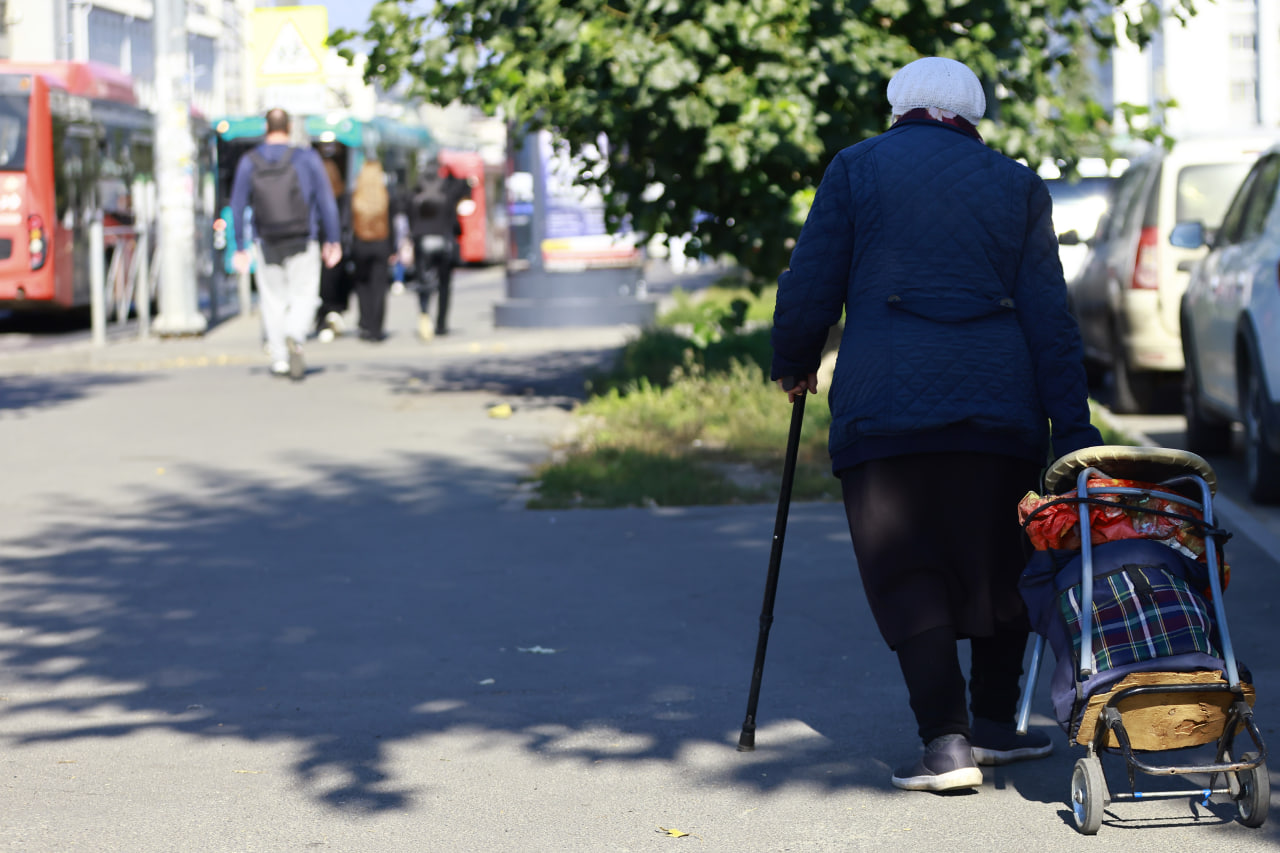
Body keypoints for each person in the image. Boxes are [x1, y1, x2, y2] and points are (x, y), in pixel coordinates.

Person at [769, 56, 1103, 793]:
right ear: (972, 114)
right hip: (1002, 411)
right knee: (1005, 559)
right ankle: (993, 721)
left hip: (886, 415)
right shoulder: (1016, 185)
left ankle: (946, 744)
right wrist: (1073, 429)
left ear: (898, 108)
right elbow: (1051, 317)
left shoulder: (856, 169)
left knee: (908, 566)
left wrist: (794, 359)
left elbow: (812, 282)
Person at [231, 108, 342, 380]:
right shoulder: (306, 157)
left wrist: (240, 246)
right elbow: (326, 200)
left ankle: (279, 358)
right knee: (304, 294)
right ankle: (296, 333)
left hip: (266, 239)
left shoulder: (250, 160)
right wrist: (333, 239)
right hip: (304, 238)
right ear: (290, 127)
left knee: (272, 301)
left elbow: (237, 204)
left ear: (265, 127)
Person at [410, 159, 472, 339]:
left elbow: (410, 217)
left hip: (422, 241)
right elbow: (464, 186)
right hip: (443, 241)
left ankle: (424, 315)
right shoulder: (446, 190)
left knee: (424, 283)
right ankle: (441, 324)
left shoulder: (417, 191)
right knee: (444, 285)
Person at [348, 159, 394, 342]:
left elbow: (348, 223)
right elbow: (392, 224)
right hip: (381, 244)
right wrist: (393, 247)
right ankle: (377, 328)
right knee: (379, 287)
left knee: (363, 286)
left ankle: (365, 323)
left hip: (361, 244)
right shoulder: (386, 196)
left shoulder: (355, 196)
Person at [315, 153, 352, 342]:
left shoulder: (315, 196)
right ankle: (333, 314)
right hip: (336, 245)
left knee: (320, 283)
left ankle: (323, 319)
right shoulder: (343, 196)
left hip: (318, 245)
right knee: (334, 282)